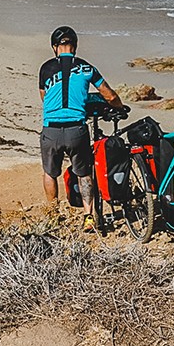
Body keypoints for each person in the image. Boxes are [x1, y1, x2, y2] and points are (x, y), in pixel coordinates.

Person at [39, 26, 125, 232]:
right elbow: (109, 95)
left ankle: (53, 215)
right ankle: (88, 217)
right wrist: (120, 107)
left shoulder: (45, 68)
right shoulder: (87, 68)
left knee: (50, 173)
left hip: (51, 129)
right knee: (84, 173)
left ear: (54, 47)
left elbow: (44, 96)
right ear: (75, 47)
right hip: (77, 129)